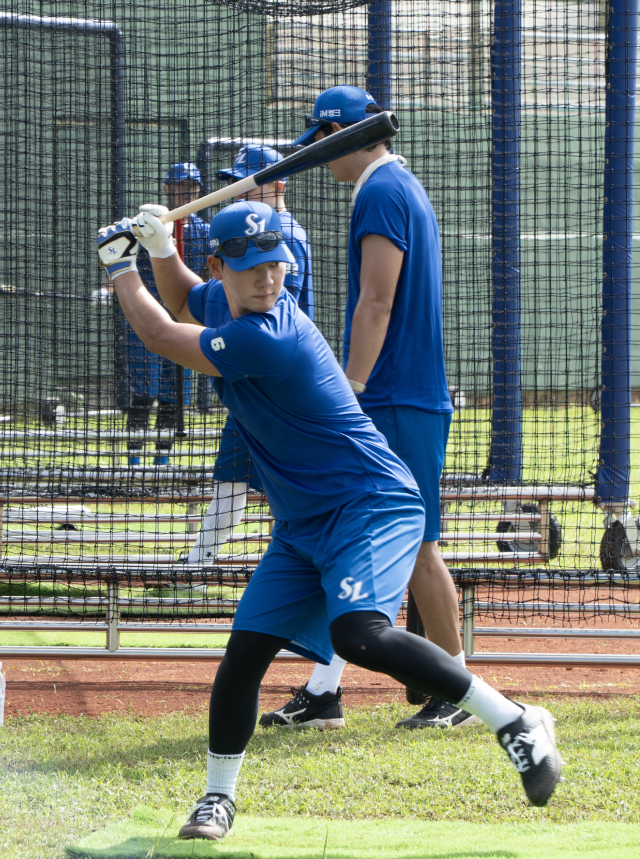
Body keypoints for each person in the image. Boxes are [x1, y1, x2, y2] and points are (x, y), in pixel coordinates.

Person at [96, 200, 563, 841]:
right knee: (244, 656)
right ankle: (217, 798)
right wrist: (158, 253)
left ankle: (515, 719)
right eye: (252, 267)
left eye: (276, 266)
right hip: (303, 523)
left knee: (360, 636)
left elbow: (159, 333)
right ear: (220, 266)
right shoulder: (227, 305)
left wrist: (121, 269)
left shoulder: (269, 334)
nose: (267, 279)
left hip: (370, 503)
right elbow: (186, 300)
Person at [260, 85, 472, 732]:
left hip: (395, 397)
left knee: (416, 546)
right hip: (397, 396)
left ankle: (456, 691)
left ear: (344, 135)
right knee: (352, 539)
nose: (318, 158)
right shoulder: (393, 187)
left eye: (320, 143)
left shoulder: (381, 191)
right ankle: (325, 692)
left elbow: (376, 301)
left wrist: (347, 388)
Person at [178, 144, 314, 565]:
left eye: (250, 183)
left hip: (278, 386)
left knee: (280, 486)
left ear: (277, 183)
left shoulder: (282, 234)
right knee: (234, 477)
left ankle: (209, 564)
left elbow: (263, 315)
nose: (240, 191)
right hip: (259, 385)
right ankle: (198, 563)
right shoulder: (272, 231)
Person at [118, 163, 209, 451]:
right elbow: (122, 254)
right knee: (144, 391)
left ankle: (163, 463)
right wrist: (111, 287)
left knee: (175, 394)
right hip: (148, 320)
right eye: (181, 187)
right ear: (167, 189)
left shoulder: (205, 231)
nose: (187, 193)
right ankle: (133, 462)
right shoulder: (147, 226)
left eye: (192, 188)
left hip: (185, 320)